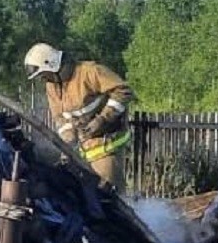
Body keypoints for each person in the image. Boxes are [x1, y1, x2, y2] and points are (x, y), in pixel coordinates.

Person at [23, 42, 134, 191]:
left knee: (109, 196)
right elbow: (60, 118)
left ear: (53, 65)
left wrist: (102, 119)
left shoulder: (90, 72)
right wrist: (67, 143)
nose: (43, 79)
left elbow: (123, 91)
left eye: (43, 74)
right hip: (81, 152)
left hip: (106, 144)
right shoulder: (52, 86)